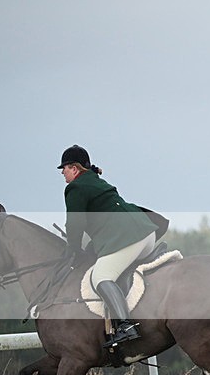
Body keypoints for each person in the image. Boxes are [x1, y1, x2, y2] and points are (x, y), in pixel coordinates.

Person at [58, 145, 161, 348]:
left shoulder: (75, 188)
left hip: (129, 239)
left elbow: (75, 224)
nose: (62, 172)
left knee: (101, 277)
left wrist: (73, 249)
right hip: (147, 234)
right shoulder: (94, 180)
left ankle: (125, 326)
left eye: (65, 168)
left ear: (75, 169)